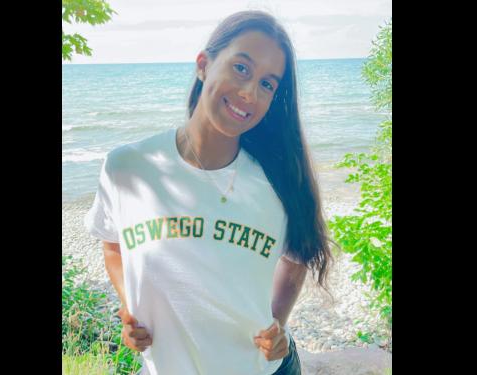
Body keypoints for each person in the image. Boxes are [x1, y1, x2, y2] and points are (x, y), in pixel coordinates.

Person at [85, 10, 334, 375]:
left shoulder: (279, 181)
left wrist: (276, 323)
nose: (250, 92)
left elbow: (296, 260)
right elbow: (113, 246)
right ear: (204, 64)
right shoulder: (127, 168)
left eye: (268, 84)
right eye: (242, 68)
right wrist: (130, 309)